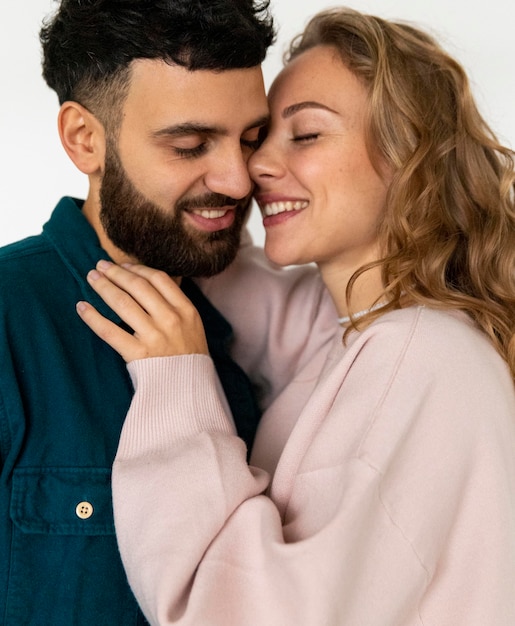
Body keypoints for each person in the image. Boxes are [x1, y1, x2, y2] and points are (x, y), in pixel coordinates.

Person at [78, 6, 515, 626]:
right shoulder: (361, 335)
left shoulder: (419, 358)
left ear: (408, 156)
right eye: (260, 138)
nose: (252, 168)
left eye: (305, 135)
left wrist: (176, 383)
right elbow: (250, 296)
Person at [0, 1, 336, 624]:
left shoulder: (249, 330)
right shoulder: (7, 321)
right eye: (189, 145)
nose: (239, 181)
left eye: (251, 138)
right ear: (84, 139)